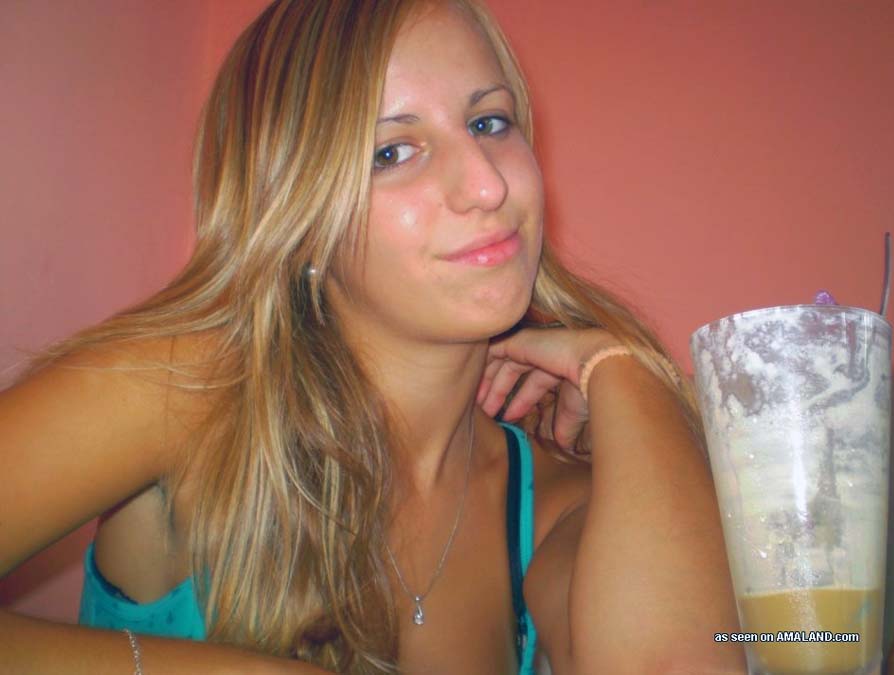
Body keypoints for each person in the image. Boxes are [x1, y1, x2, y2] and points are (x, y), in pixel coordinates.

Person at [0, 0, 744, 672]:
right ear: (299, 214)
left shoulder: (544, 489)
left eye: (489, 122)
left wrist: (626, 371)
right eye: (392, 152)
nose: (487, 184)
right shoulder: (191, 390)